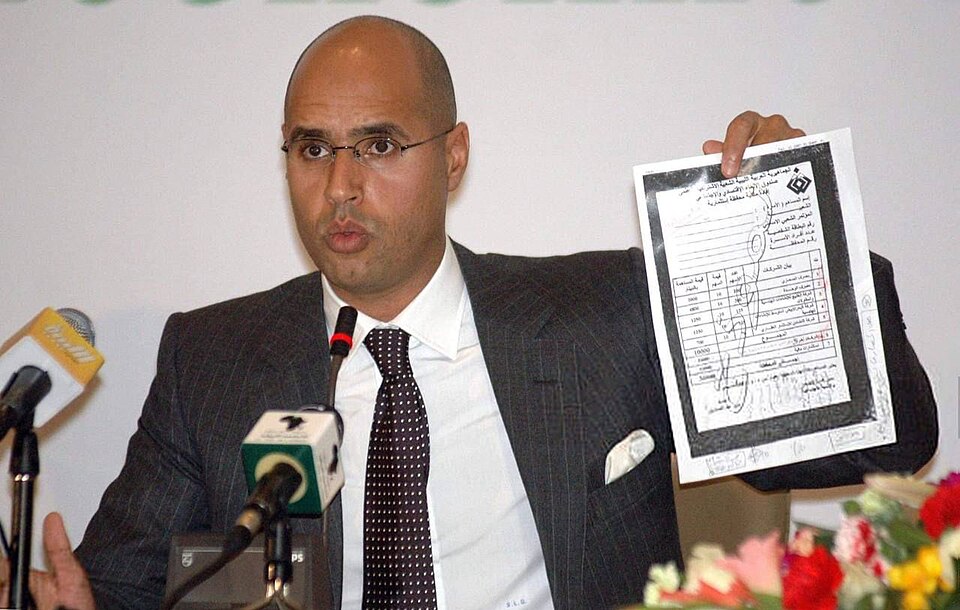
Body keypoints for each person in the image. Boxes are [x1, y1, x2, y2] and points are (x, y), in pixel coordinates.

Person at [7, 15, 937, 610]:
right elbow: (121, 586)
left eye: (378, 145)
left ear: (453, 157)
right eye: (312, 148)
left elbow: (882, 443)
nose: (340, 185)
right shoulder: (213, 357)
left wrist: (801, 237)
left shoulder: (603, 316)